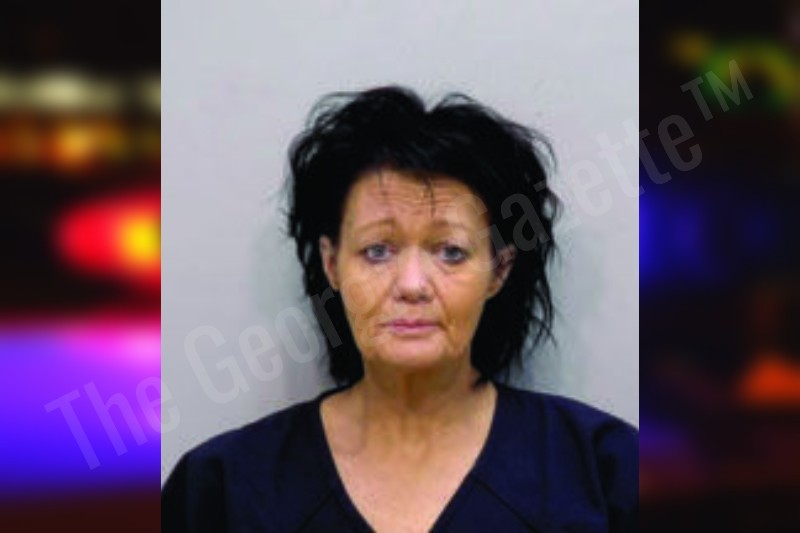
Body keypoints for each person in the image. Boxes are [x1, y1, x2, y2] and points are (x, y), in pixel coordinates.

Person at [162, 86, 638, 532]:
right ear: (331, 264)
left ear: (499, 270)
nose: (411, 285)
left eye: (450, 251)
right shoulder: (222, 489)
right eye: (377, 251)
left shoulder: (605, 473)